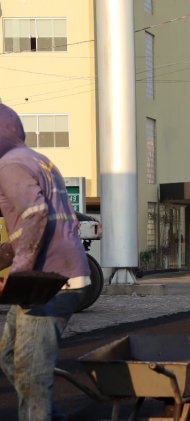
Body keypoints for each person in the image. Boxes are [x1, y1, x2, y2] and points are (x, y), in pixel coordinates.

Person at [0, 104, 90, 420]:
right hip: (58, 275)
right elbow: (34, 225)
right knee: (10, 357)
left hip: (50, 284)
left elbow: (34, 216)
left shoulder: (9, 165)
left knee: (31, 373)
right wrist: (6, 257)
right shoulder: (36, 159)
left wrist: (21, 276)